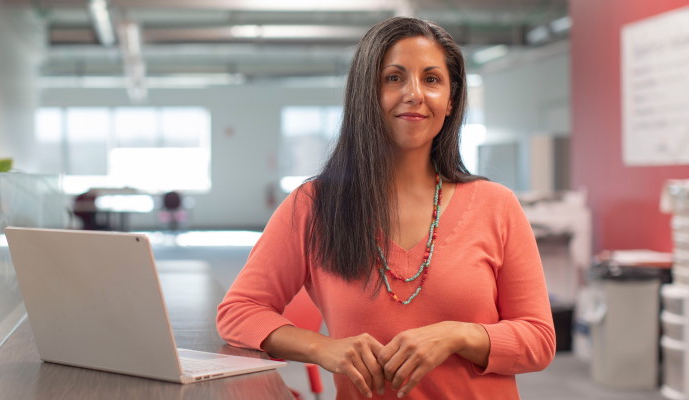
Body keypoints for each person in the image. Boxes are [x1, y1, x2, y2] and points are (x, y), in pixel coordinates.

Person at [216, 16, 555, 400]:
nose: (415, 93)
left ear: (451, 101)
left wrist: (459, 334)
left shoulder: (497, 206)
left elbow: (540, 339)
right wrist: (322, 348)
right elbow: (238, 312)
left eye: (432, 79)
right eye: (394, 78)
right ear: (367, 95)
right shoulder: (314, 206)